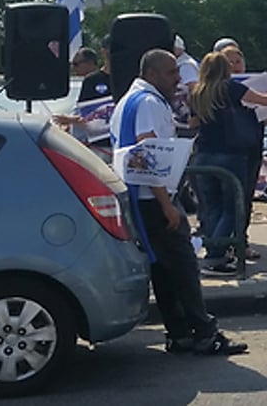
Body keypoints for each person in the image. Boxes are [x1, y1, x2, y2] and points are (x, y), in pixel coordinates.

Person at [108, 49, 247, 355]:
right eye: (171, 73)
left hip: (138, 197)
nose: (177, 79)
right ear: (152, 74)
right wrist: (166, 203)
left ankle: (180, 332)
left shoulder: (128, 100)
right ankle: (205, 332)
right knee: (184, 267)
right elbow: (147, 153)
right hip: (154, 198)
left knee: (164, 270)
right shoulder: (149, 103)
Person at [189, 53, 267, 275]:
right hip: (231, 153)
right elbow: (265, 100)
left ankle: (213, 250)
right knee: (231, 206)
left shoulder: (197, 92)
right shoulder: (230, 88)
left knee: (212, 206)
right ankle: (215, 256)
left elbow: (193, 122)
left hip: (204, 154)